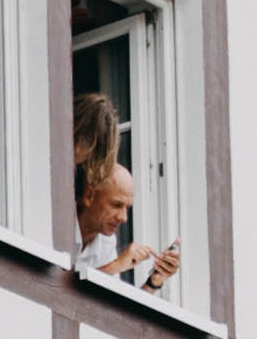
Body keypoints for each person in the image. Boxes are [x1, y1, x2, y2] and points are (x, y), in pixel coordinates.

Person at [72, 89, 184, 293]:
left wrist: (155, 281)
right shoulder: (61, 222)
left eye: (127, 208)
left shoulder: (105, 241)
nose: (124, 218)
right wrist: (117, 265)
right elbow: (62, 289)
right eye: (116, 205)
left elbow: (109, 310)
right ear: (89, 196)